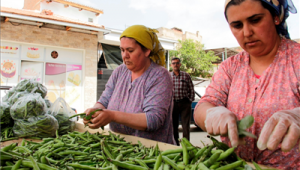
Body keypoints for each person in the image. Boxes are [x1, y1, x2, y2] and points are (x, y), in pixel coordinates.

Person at [194, 0, 299, 169]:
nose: (247, 32)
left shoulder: (296, 60)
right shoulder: (230, 67)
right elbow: (203, 106)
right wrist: (211, 113)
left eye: (255, 20)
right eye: (237, 25)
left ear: (275, 18)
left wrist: (297, 116)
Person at [83, 25, 175, 145]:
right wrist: (95, 111)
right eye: (122, 50)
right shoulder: (120, 71)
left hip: (150, 151)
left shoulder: (160, 76)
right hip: (119, 147)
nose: (125, 56)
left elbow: (153, 120)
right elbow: (105, 100)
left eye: (130, 50)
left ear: (147, 51)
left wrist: (112, 116)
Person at [170, 57, 195, 146]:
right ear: (171, 65)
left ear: (180, 64)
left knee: (185, 126)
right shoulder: (168, 76)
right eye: (173, 63)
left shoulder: (186, 75)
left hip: (184, 103)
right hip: (173, 104)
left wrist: (190, 100)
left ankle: (186, 145)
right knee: (174, 126)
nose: (175, 65)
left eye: (177, 63)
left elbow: (191, 88)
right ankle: (176, 145)